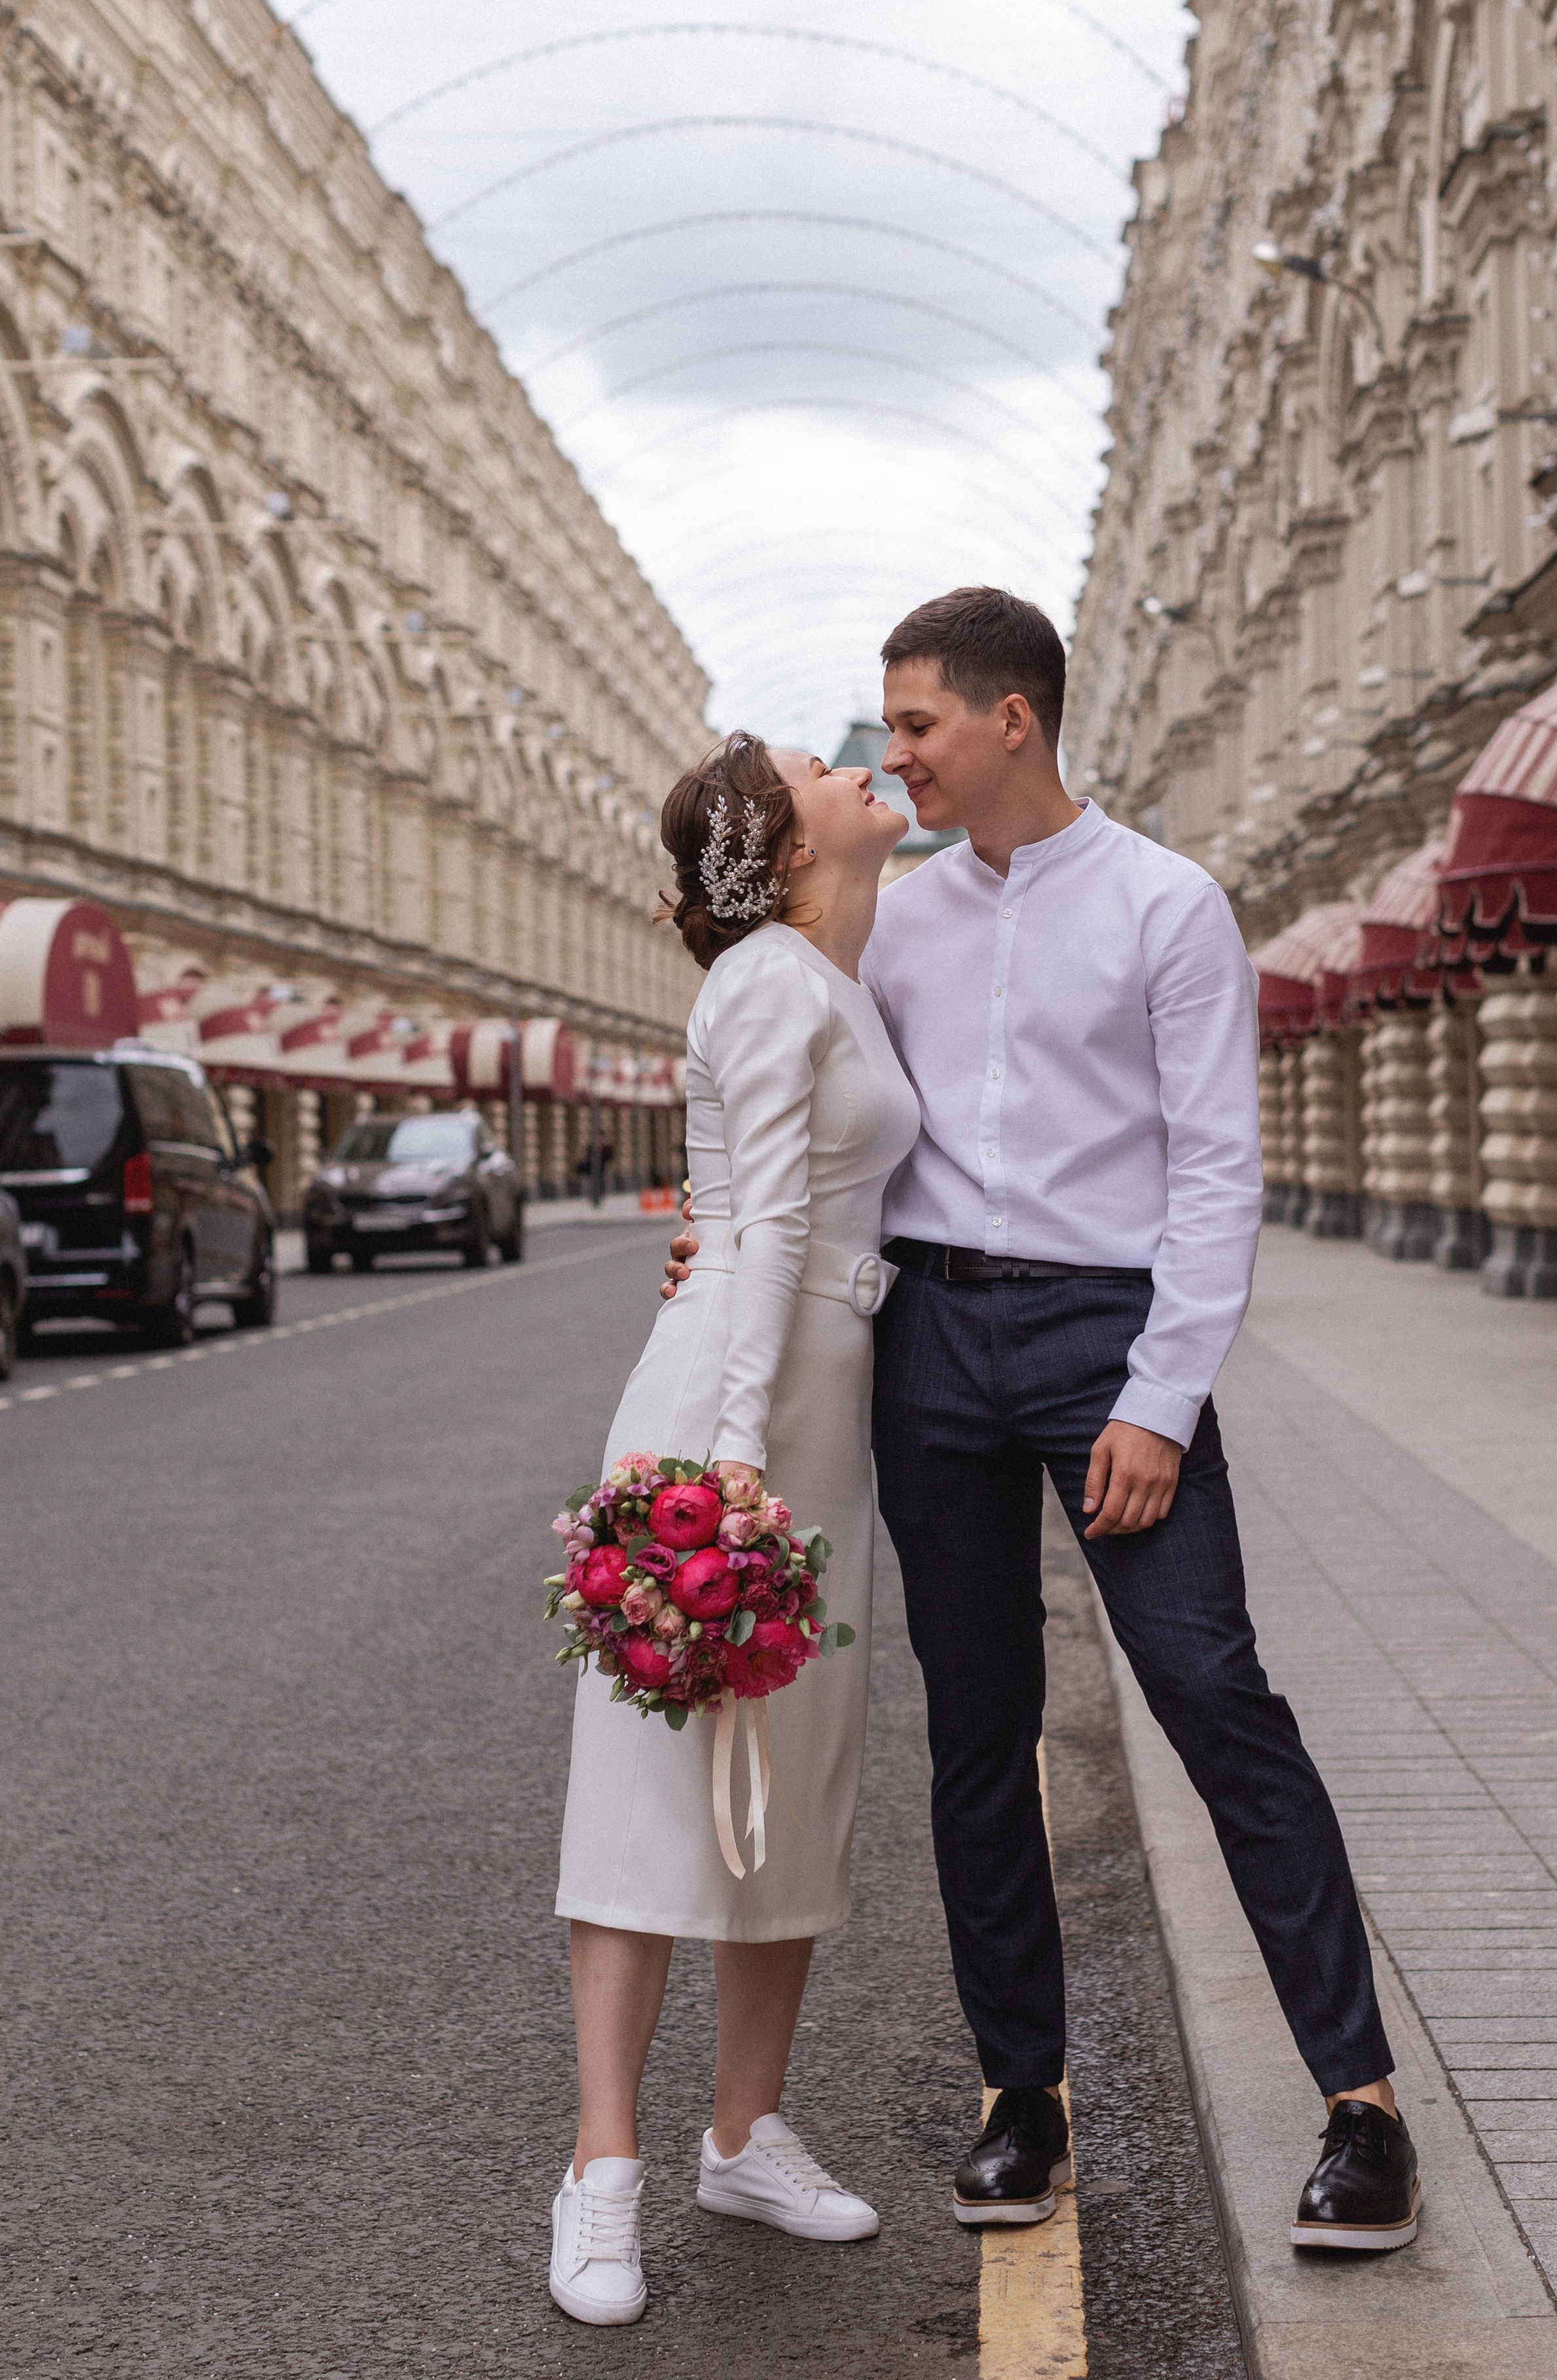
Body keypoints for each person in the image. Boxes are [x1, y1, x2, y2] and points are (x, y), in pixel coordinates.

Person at [667, 588, 1421, 2254]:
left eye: (918, 721)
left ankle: (1360, 2114)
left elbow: (1219, 1170)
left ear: (1013, 719)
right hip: (930, 1337)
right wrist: (714, 1243)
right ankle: (1023, 2099)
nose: (896, 752)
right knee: (975, 1735)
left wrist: (1159, 1394)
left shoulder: (1166, 906)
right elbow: (808, 1106)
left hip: (1103, 1336)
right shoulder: (896, 920)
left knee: (1214, 1694)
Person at [549, 732, 921, 2325]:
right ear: (774, 849)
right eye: (816, 765)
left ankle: (742, 2135)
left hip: (822, 1410)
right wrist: (731, 1455)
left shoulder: (849, 967)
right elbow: (763, 1219)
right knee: (651, 1785)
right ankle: (601, 2173)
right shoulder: (769, 974)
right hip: (734, 1407)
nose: (858, 759)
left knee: (797, 1768)